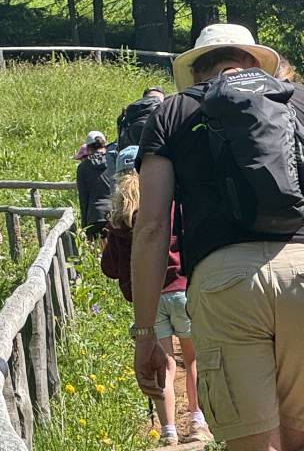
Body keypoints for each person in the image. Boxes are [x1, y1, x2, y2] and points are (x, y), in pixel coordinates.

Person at [132, 23, 303, 450]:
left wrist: (147, 332)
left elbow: (152, 228)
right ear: (252, 61)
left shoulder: (172, 112)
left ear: (198, 70)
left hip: (226, 284)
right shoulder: (298, 101)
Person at [101, 146, 210, 446]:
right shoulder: (168, 205)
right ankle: (199, 421)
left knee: (164, 364)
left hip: (147, 302)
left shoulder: (118, 219)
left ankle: (168, 431)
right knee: (193, 358)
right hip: (181, 289)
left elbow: (110, 268)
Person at [76, 130, 112, 240]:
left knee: (98, 254)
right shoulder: (113, 161)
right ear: (105, 145)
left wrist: (85, 226)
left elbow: (83, 198)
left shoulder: (83, 168)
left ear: (88, 148)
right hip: (115, 214)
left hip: (95, 216)